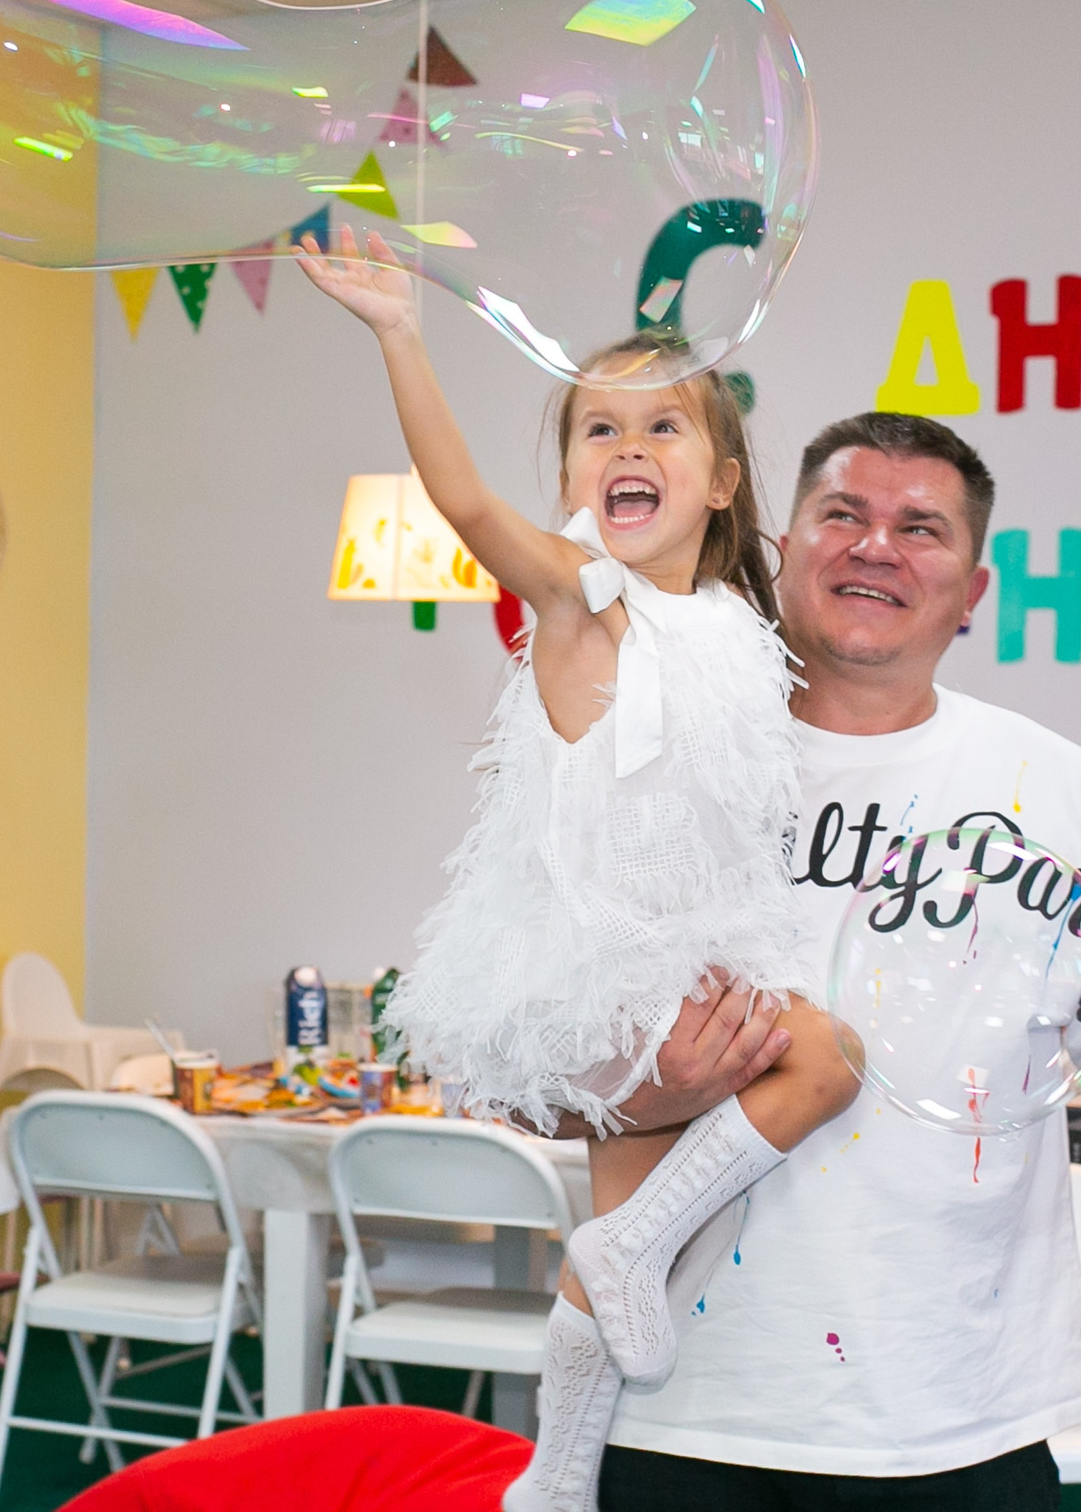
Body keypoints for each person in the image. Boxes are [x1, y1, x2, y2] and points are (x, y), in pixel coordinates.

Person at [596, 411, 1081, 1512]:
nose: (875, 546)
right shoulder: (652, 771)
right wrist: (650, 1087)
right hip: (682, 1408)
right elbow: (521, 1074)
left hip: (963, 1420)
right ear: (780, 546)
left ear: (972, 590)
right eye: (841, 514)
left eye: (921, 528)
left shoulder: (1063, 793)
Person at [300, 229, 858, 1512]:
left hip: (675, 983)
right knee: (825, 1058)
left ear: (722, 479)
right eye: (597, 430)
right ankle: (616, 1273)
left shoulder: (730, 632)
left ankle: (552, 1483)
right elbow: (461, 504)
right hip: (600, 988)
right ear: (567, 475)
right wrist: (398, 331)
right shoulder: (578, 603)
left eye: (661, 430)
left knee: (621, 1262)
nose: (626, 451)